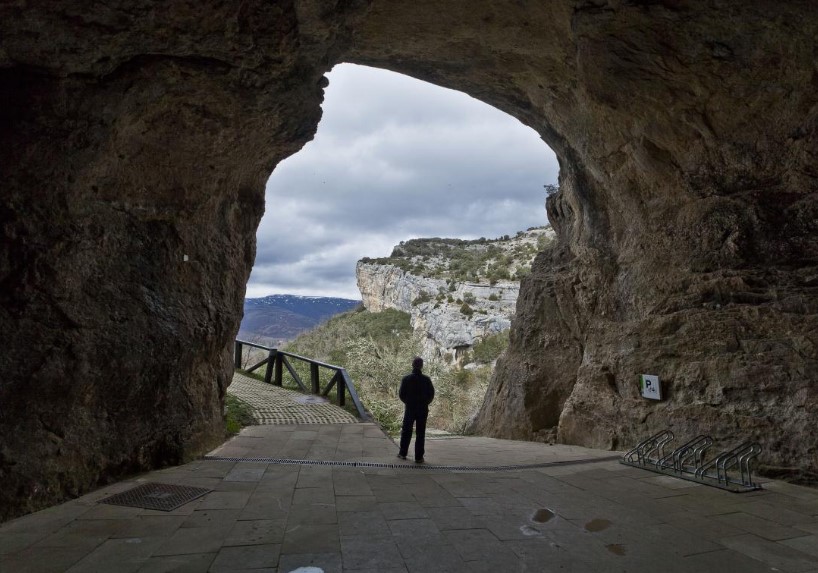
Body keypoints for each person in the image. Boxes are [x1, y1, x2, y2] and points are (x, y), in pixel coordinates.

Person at [397, 356, 435, 463]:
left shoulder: (406, 379)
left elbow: (401, 394)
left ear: (412, 365)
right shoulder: (426, 380)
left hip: (410, 408)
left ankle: (403, 453)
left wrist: (408, 402)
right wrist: (425, 403)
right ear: (421, 366)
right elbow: (431, 394)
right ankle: (419, 457)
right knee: (420, 432)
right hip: (422, 409)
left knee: (406, 431)